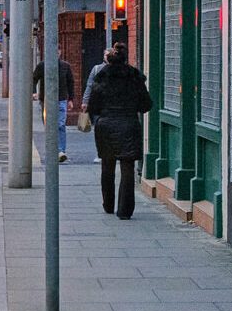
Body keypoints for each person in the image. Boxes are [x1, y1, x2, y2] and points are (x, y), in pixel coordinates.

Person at [86, 44, 152, 219]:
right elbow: (146, 104)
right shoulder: (134, 77)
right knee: (127, 167)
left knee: (107, 165)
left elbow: (93, 106)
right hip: (129, 123)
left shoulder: (102, 77)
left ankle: (108, 204)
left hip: (106, 125)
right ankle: (125, 211)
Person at [33, 56, 76, 163]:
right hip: (46, 100)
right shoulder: (42, 65)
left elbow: (70, 82)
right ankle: (51, 151)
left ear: (60, 52)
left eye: (58, 51)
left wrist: (70, 99)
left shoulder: (65, 66)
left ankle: (61, 151)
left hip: (61, 99)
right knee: (49, 126)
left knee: (60, 125)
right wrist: (34, 92)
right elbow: (34, 78)